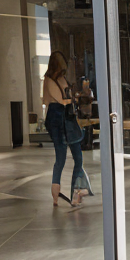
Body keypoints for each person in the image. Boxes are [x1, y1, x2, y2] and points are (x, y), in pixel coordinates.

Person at [42, 51, 90, 208]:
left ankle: (76, 192)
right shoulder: (49, 80)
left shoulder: (61, 79)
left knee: (77, 157)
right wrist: (73, 98)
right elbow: (61, 100)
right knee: (61, 158)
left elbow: (66, 99)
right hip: (57, 120)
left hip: (66, 119)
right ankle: (57, 195)